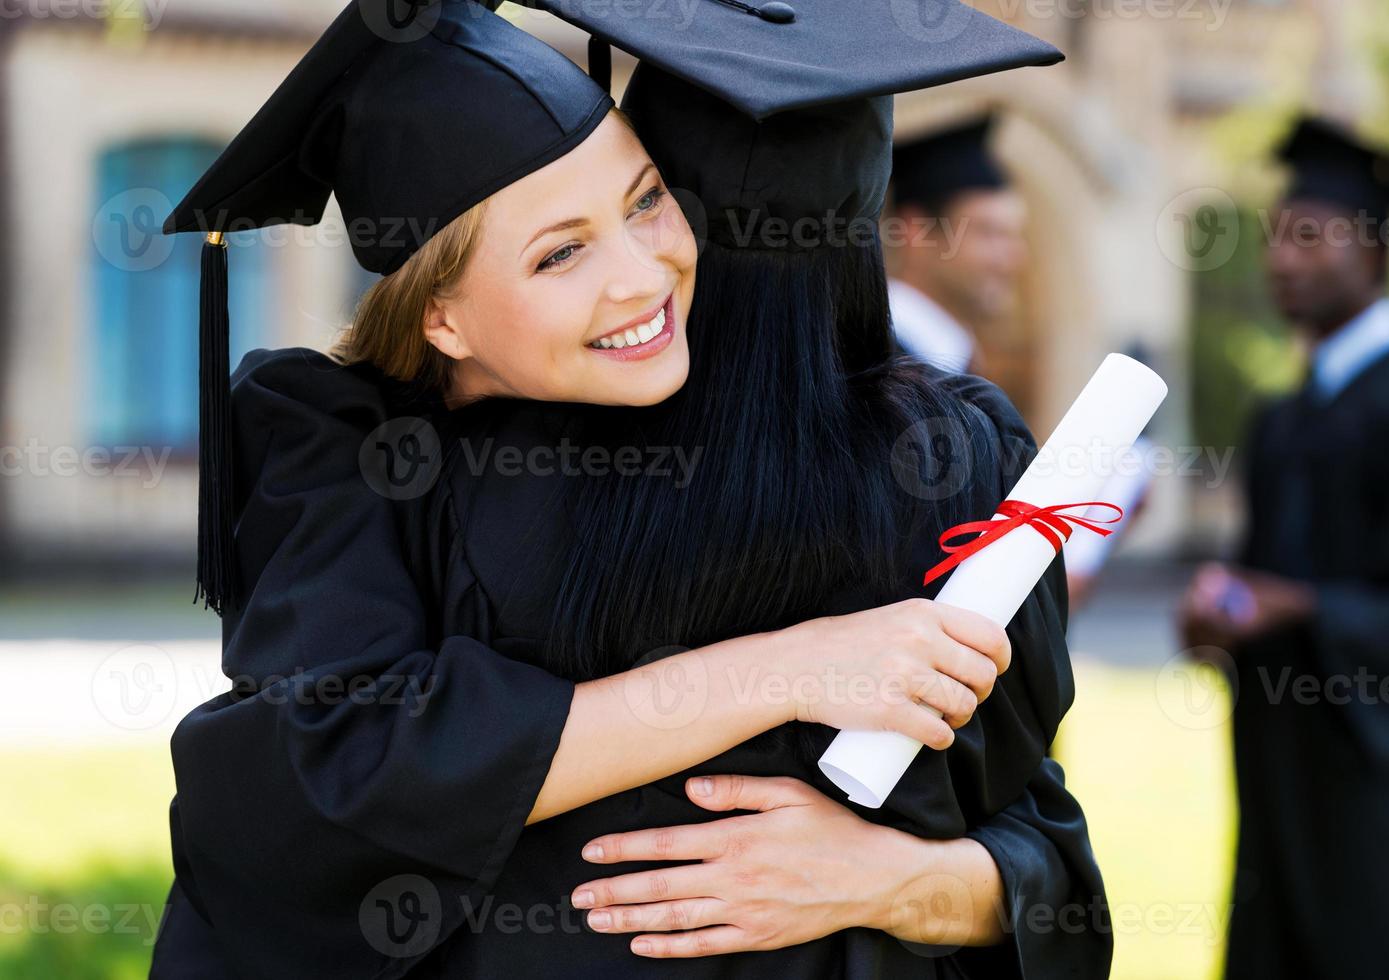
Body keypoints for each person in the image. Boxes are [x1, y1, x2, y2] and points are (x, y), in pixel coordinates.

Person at [149, 1, 1109, 977]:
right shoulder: (368, 475)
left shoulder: (924, 468)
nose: (639, 273)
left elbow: (1037, 846)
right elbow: (321, 783)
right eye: (559, 251)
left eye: (649, 200)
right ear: (439, 316)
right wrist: (785, 666)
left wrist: (887, 878)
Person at [1179, 116, 1389, 978]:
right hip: (1280, 783)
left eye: (1310, 236)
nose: (1280, 259)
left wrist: (1299, 606)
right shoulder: (1282, 420)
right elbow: (1255, 592)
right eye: (1274, 237)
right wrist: (1216, 624)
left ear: (1374, 253)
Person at [886, 114, 1029, 374]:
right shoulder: (876, 369)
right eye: (989, 232)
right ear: (917, 231)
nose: (1014, 257)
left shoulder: (954, 361)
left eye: (1015, 234)